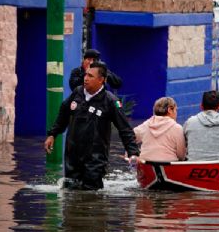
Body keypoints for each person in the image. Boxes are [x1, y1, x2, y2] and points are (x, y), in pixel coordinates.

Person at [45, 62, 140, 190]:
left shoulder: (111, 101)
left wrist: (133, 153)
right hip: (73, 155)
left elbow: (125, 129)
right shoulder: (77, 93)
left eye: (90, 76)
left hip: (95, 158)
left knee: (91, 195)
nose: (86, 78)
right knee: (70, 192)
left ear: (101, 80)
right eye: (86, 75)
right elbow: (63, 113)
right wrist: (52, 134)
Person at [133, 97, 186, 162]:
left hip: (147, 164)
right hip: (169, 165)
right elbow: (181, 155)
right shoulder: (177, 128)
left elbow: (130, 137)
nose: (176, 113)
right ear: (170, 110)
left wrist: (133, 153)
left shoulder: (146, 125)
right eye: (175, 110)